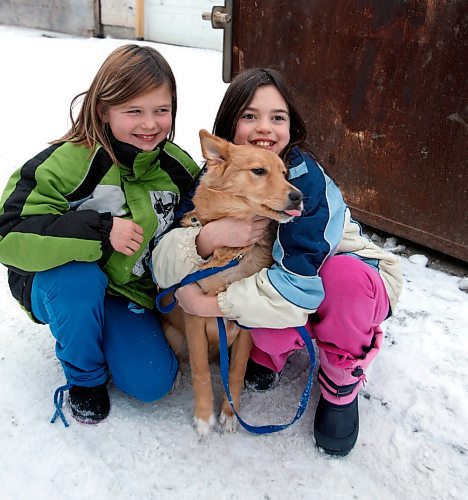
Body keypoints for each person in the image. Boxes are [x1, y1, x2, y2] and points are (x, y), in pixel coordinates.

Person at [152, 68, 402, 456]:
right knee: (258, 314)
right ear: (230, 124)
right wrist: (208, 238)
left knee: (336, 278)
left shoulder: (303, 184)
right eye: (250, 116)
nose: (264, 128)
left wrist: (208, 303)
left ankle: (340, 381)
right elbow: (167, 257)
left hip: (356, 285)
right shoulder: (216, 174)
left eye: (278, 117)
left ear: (291, 127)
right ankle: (271, 354)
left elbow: (297, 285)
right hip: (285, 293)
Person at [0, 44, 209, 425]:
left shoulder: (177, 168)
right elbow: (9, 233)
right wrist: (100, 229)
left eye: (161, 110)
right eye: (134, 111)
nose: (150, 124)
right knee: (79, 281)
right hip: (59, 280)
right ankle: (85, 377)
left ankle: (100, 327)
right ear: (103, 110)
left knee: (152, 383)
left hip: (126, 290)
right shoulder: (69, 161)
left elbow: (195, 221)